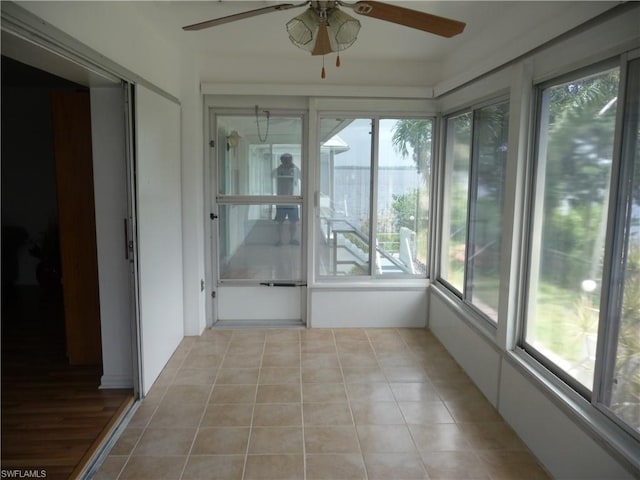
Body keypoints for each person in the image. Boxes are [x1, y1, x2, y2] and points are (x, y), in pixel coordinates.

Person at [273, 153, 301, 246]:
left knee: (293, 221)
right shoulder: (278, 170)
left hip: (293, 200)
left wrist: (294, 167)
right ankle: (280, 240)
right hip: (281, 200)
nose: (287, 162)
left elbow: (301, 176)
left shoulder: (295, 170)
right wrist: (280, 167)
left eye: (289, 160)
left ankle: (292, 239)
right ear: (282, 161)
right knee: (280, 221)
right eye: (285, 160)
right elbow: (271, 175)